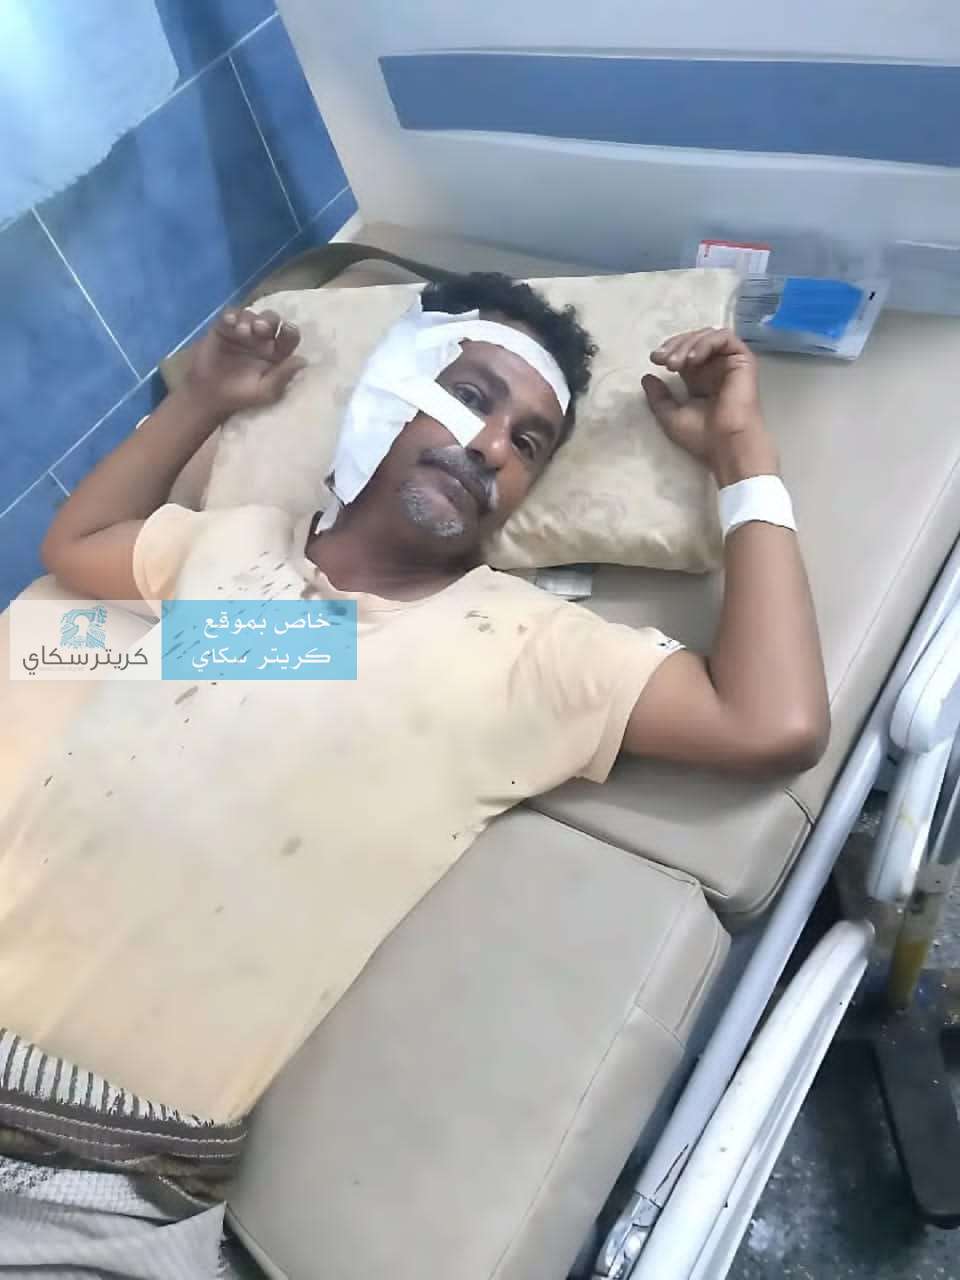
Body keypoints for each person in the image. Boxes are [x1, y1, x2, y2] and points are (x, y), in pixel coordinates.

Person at [7, 272, 828, 1127]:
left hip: (98, 1138)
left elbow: (772, 722)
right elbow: (78, 544)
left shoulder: (516, 651)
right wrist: (204, 400)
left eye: (529, 444)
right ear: (387, 389)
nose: (492, 447)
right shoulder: (241, 565)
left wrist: (742, 456)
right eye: (469, 398)